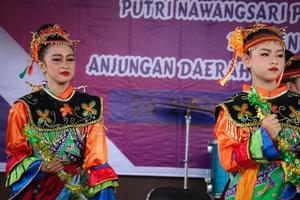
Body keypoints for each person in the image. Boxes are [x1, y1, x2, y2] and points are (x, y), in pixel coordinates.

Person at [5, 24, 118, 200]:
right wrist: (41, 166)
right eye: (57, 59)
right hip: (40, 189)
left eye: (70, 59)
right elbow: (16, 156)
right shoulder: (24, 107)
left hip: (77, 190)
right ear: (42, 65)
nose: (65, 64)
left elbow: (97, 161)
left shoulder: (90, 106)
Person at [215, 23, 299, 200]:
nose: (274, 60)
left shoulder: (297, 104)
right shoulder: (232, 108)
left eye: (279, 55)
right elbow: (227, 160)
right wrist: (263, 137)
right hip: (251, 193)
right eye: (265, 54)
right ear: (246, 60)